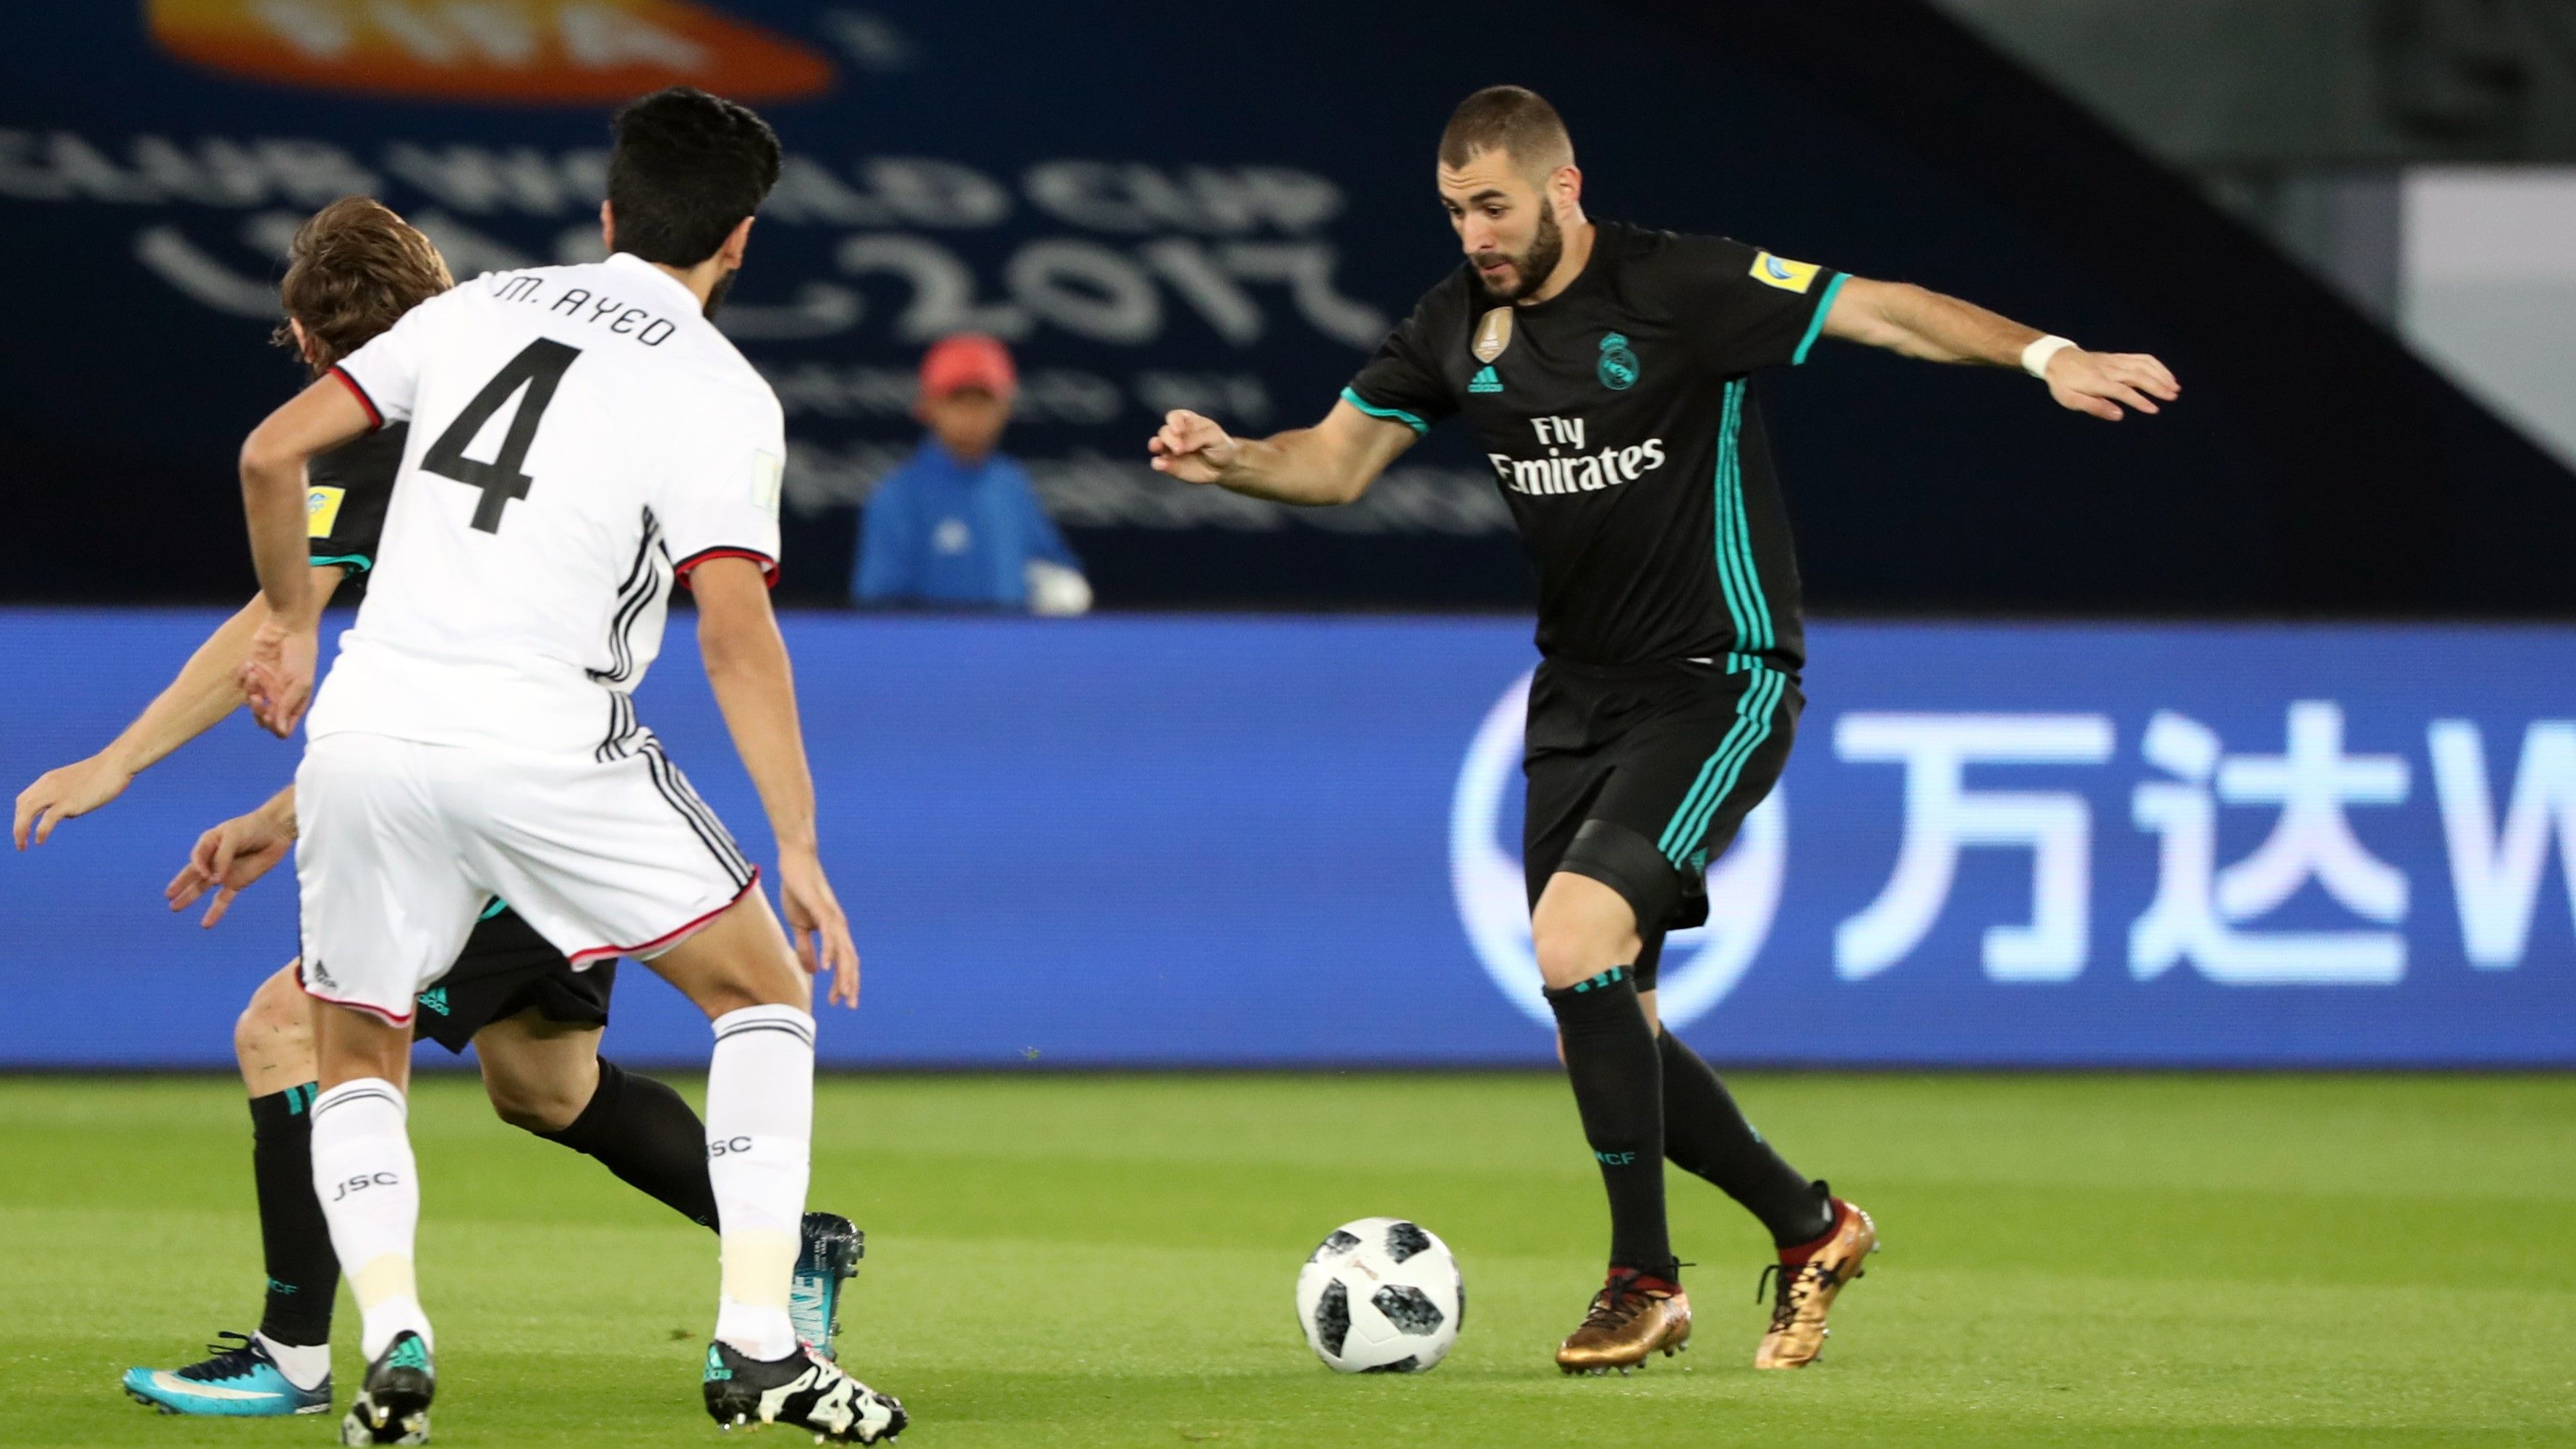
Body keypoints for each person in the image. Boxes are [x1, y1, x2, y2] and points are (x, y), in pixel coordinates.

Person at [1148, 85, 2178, 1375]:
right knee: (1604, 1003)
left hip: (1717, 676)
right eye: (1456, 209)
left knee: (1573, 935)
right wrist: (1231, 456)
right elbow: (1335, 462)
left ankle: (1644, 1280)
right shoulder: (1454, 324)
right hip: (1574, 697)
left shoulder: (1682, 284)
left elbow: (1887, 310)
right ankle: (1812, 1224)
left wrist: (2045, 356)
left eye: (1493, 206)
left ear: (1562, 188)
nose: (1474, 233)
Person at [9, 196, 861, 1419]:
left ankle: (295, 1351)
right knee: (546, 1082)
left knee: (283, 1030)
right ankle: (797, 1239)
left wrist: (120, 759)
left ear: (313, 339)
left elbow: (281, 621)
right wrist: (289, 807)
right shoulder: (544, 377)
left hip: (509, 810)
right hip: (554, 778)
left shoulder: (384, 431)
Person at [229, 89, 903, 1442]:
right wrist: (804, 842)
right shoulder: (721, 392)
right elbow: (734, 634)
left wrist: (295, 617)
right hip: (547, 741)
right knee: (763, 994)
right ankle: (759, 1344)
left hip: (366, 737)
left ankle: (395, 1338)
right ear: (741, 241)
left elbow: (269, 451)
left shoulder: (476, 305)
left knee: (349, 1047)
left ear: (607, 213)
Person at [852, 333, 1091, 615]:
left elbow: (1053, 566)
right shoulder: (897, 495)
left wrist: (1062, 587)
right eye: (957, 399)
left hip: (1012, 653)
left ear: (1005, 407)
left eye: (983, 399)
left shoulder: (1011, 484)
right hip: (932, 655)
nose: (971, 414)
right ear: (928, 405)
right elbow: (878, 605)